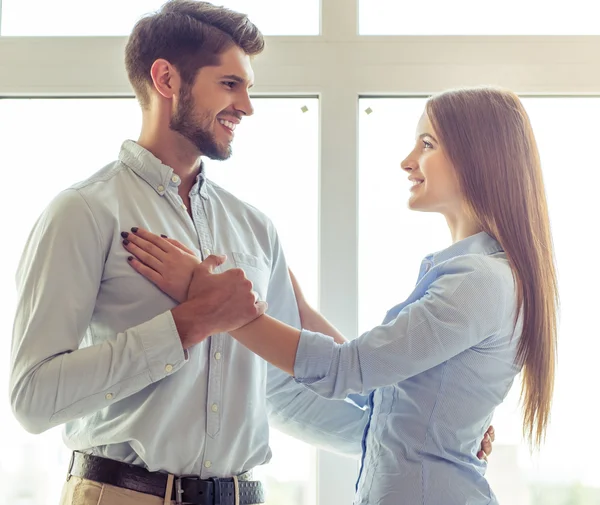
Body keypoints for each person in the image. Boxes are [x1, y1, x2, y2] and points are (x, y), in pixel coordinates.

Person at [8, 2, 374, 505]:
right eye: (230, 84)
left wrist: (426, 439)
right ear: (166, 79)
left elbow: (283, 391)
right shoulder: (83, 212)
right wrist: (187, 325)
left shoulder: (255, 228)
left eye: (248, 88)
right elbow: (32, 398)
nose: (247, 106)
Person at [122, 86, 554, 505]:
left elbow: (349, 370)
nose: (408, 162)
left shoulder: (476, 281)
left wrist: (211, 299)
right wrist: (301, 311)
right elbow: (380, 387)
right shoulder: (469, 273)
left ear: (479, 159)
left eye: (427, 145)